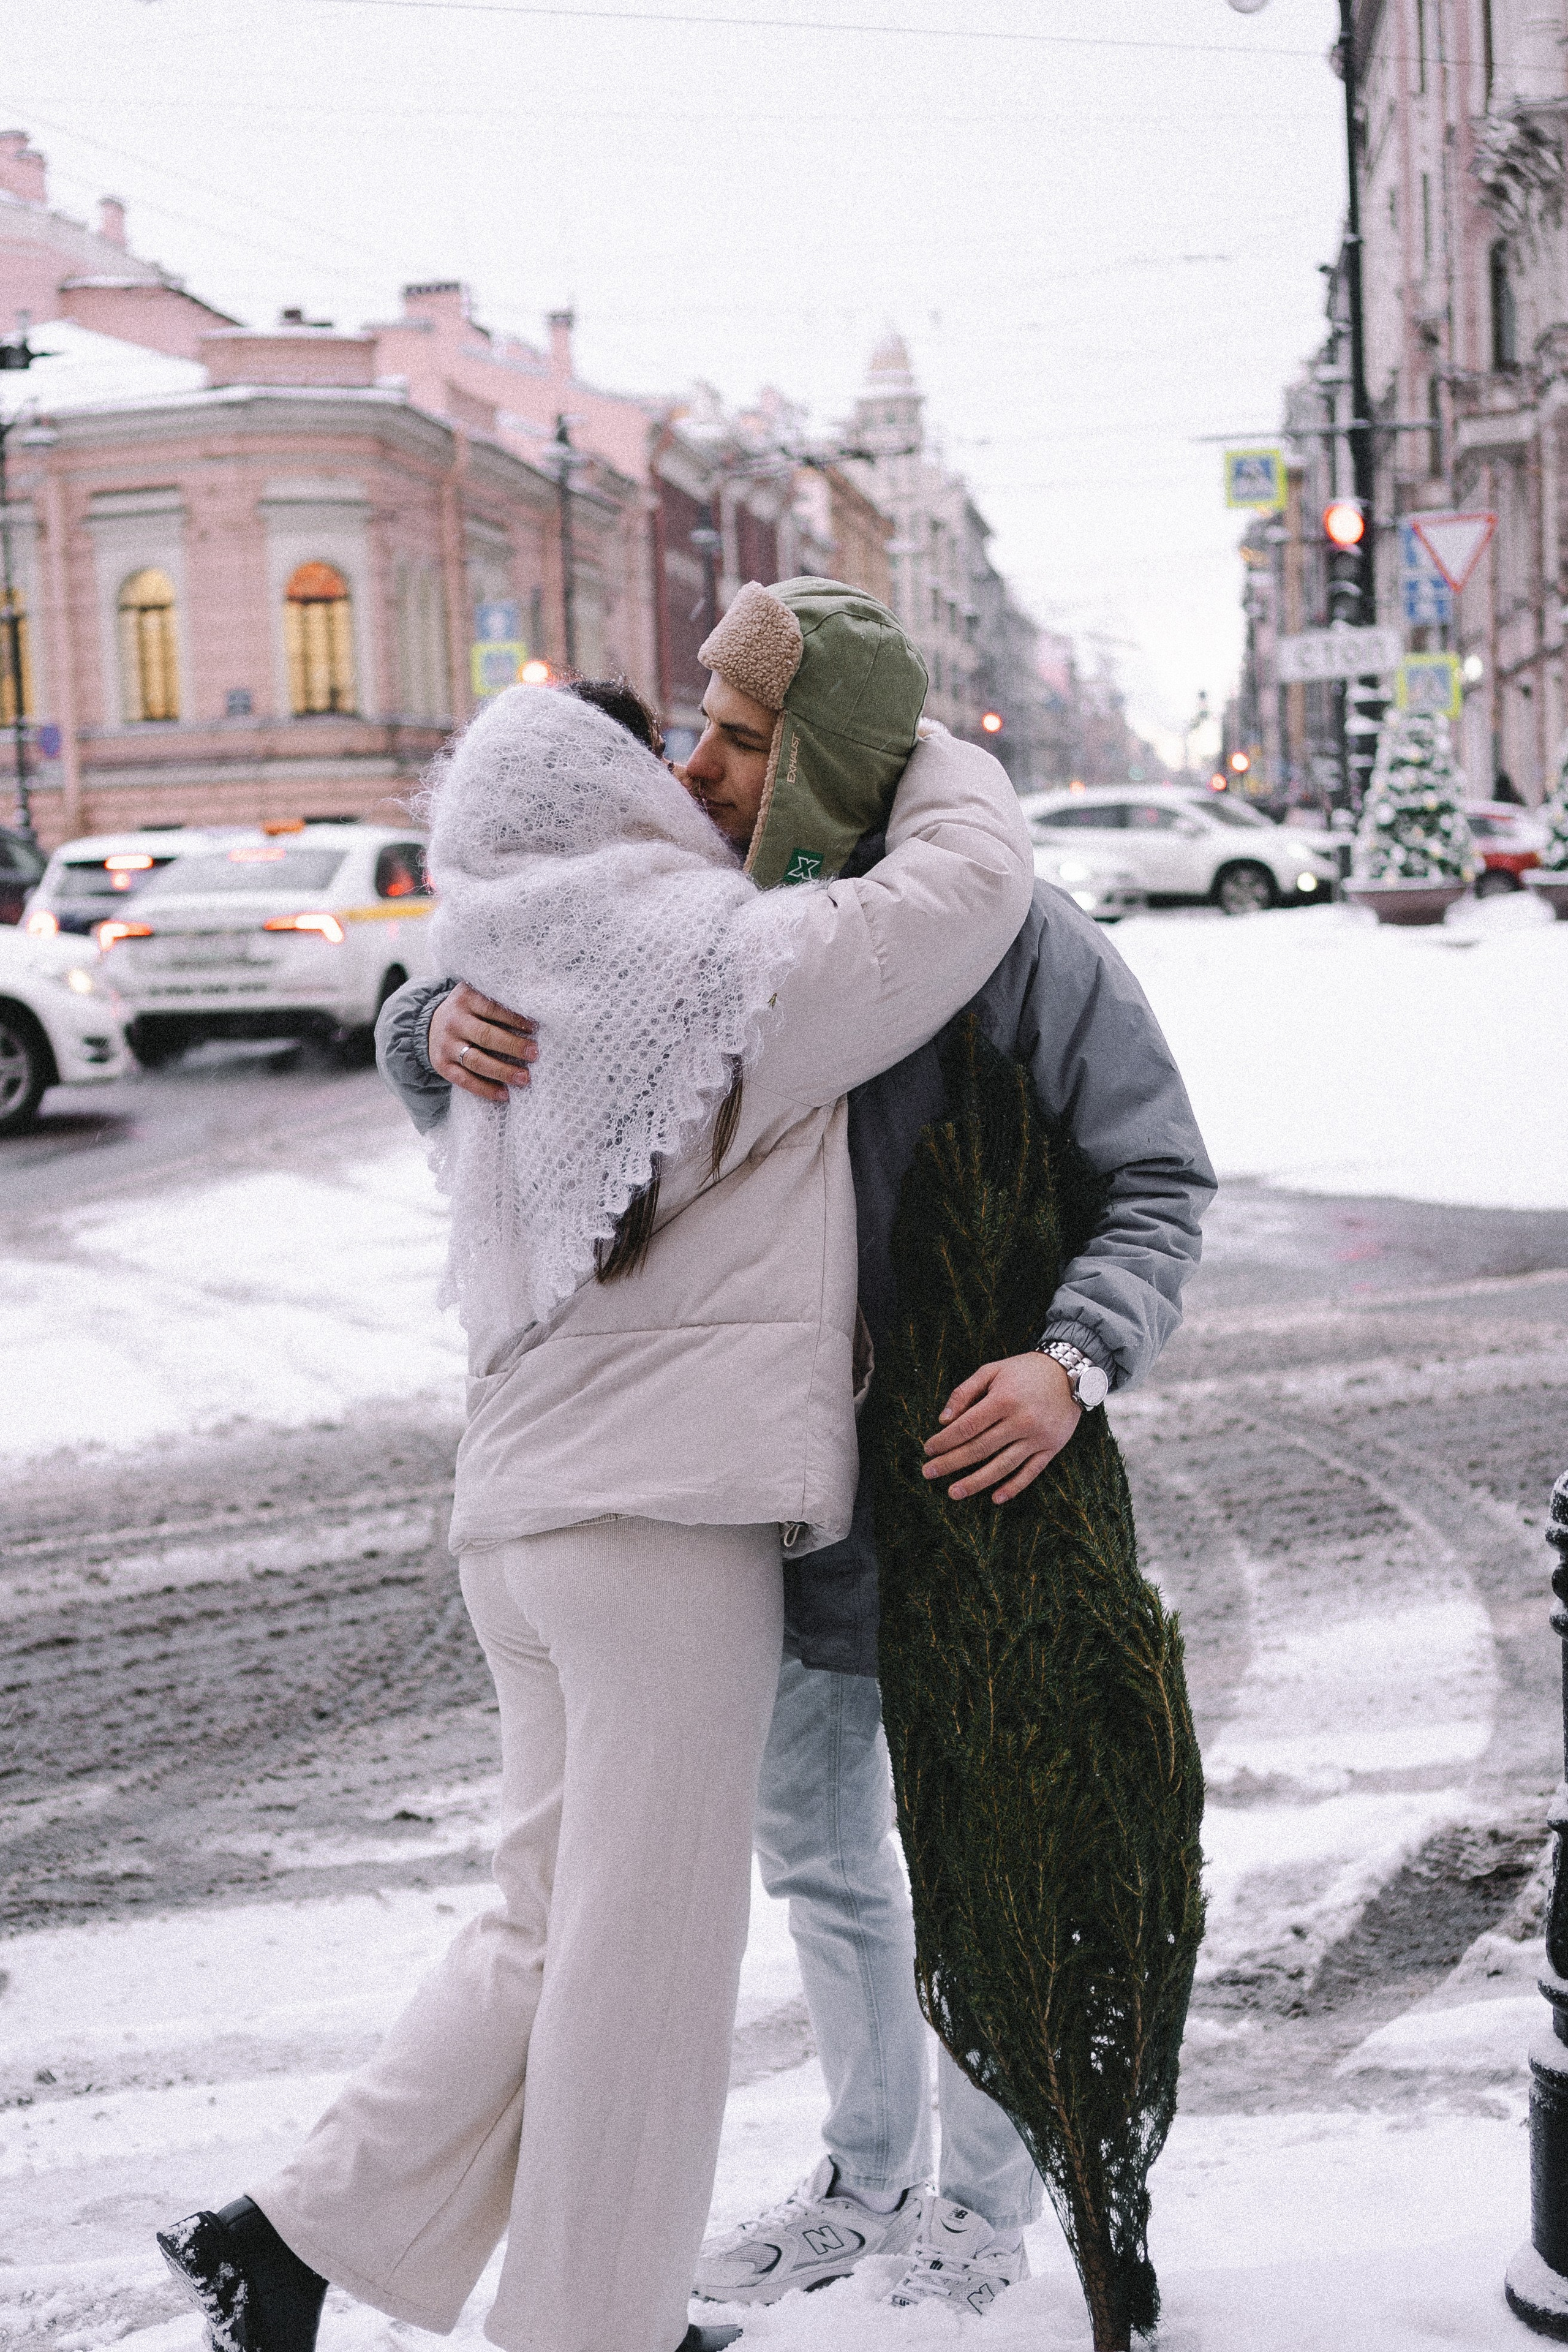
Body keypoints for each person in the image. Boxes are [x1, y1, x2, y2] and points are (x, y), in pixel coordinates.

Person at [157, 605, 1035, 2352]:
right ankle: (592, 2331)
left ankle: (293, 2232)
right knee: (646, 1974)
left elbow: (438, 1050)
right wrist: (899, 736)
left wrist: (420, 1013)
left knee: (550, 1927)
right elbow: (969, 884)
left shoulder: (506, 970)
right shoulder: (728, 970)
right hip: (659, 1537)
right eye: (671, 760)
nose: (698, 781)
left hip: (521, 1527)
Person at [380, 581, 1215, 2322]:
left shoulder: (1016, 945)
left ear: (828, 752)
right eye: (701, 727)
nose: (698, 768)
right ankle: (863, 2170)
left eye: (743, 738)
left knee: (981, 1846)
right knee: (823, 1865)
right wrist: (421, 1026)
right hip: (753, 1510)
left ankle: (981, 2211)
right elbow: (511, 995)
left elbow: (1158, 1176)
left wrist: (1071, 1362)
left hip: (976, 1496)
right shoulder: (695, 918)